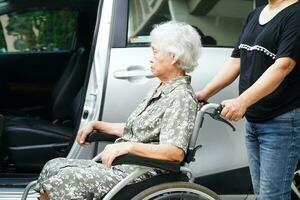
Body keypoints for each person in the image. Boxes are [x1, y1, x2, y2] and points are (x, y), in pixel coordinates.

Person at [35, 21, 201, 200]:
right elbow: (139, 130)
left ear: (174, 56)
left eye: (155, 51)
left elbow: (174, 152)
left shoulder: (181, 97)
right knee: (54, 166)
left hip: (141, 172)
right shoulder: (162, 89)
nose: (150, 58)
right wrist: (99, 125)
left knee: (65, 179)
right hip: (126, 167)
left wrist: (127, 146)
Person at [196, 0, 300, 199]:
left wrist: (242, 101)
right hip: (254, 121)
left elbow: (283, 66)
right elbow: (236, 61)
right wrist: (204, 93)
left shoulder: (296, 14)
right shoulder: (256, 15)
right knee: (262, 195)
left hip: (281, 121)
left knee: (272, 197)